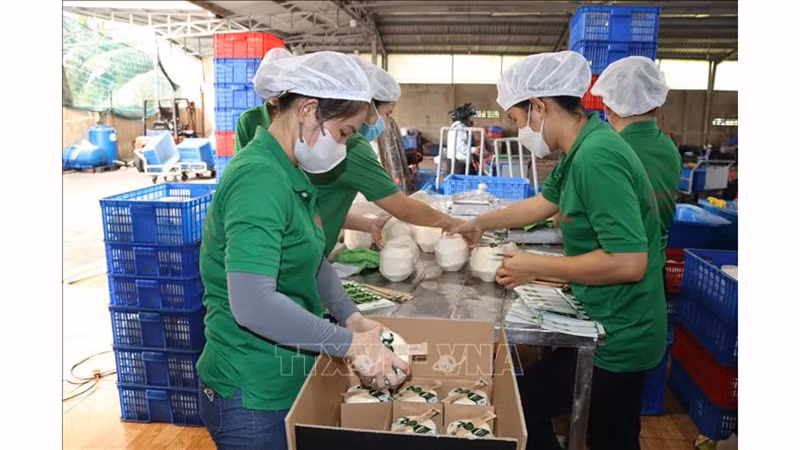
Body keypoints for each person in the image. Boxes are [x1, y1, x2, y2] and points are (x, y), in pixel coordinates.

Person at [452, 51, 667, 450]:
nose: (520, 131)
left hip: (620, 332)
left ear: (539, 106)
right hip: (616, 317)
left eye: (517, 119)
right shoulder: (582, 145)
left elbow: (629, 262)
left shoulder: (596, 157)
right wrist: (481, 222)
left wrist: (536, 266)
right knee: (611, 435)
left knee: (519, 405)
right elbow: (542, 203)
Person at [196, 51, 409, 449]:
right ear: (309, 110)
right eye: (344, 133)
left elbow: (312, 258)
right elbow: (252, 304)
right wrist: (349, 344)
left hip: (287, 373)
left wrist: (352, 318)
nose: (344, 147)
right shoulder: (258, 178)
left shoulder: (291, 169)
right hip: (252, 389)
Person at [235, 53, 460, 255]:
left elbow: (312, 210)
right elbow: (402, 207)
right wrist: (454, 224)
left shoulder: (286, 162)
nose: (342, 145)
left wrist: (365, 226)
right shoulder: (261, 173)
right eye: (344, 132)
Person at [590, 56, 682, 293]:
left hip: (618, 279)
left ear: (607, 107)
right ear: (657, 103)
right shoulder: (670, 148)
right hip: (655, 272)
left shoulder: (610, 151)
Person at [443, 102, 480, 175]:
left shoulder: (457, 128)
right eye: (470, 118)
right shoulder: (459, 128)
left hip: (458, 162)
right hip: (459, 164)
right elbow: (460, 147)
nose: (471, 121)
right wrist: (474, 150)